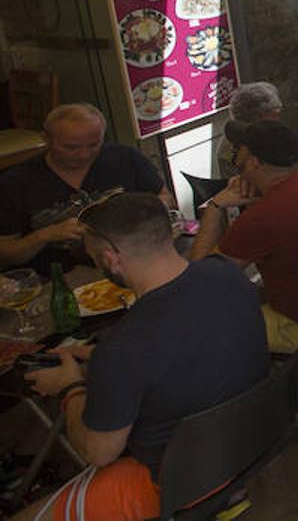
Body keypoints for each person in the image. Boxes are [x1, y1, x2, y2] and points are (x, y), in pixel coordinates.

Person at [19, 193, 267, 521]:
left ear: (110, 258)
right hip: (251, 442)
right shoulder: (226, 274)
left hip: (179, 481)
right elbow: (184, 347)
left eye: (94, 258)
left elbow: (99, 452)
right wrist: (97, 357)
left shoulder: (123, 349)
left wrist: (69, 388)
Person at [188, 120, 298, 355]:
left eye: (238, 150)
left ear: (254, 161)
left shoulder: (263, 216)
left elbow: (200, 280)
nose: (234, 156)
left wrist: (215, 206)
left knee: (201, 327)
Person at [0, 104, 172, 271]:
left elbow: (165, 198)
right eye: (71, 147)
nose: (84, 155)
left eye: (93, 145)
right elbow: (7, 254)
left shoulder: (124, 158)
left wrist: (143, 215)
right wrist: (46, 235)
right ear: (46, 140)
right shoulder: (15, 183)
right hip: (58, 273)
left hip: (131, 260)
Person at [219, 81, 284, 176]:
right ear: (257, 117)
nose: (279, 115)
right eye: (275, 111)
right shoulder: (232, 152)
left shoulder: (266, 132)